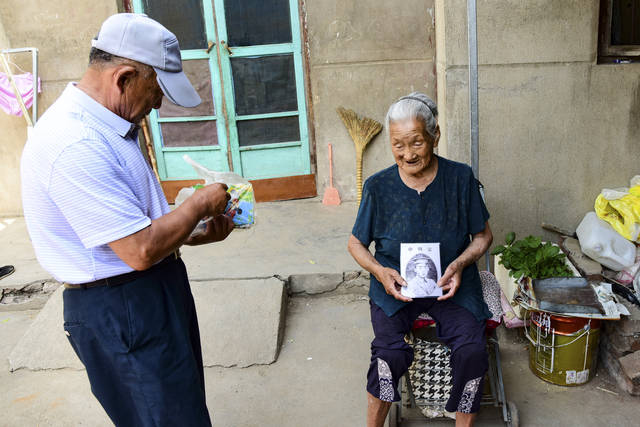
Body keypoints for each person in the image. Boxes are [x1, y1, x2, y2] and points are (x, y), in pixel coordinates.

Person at [20, 14, 233, 426]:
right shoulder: (74, 143)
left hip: (149, 291)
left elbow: (134, 227)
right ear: (124, 77)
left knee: (183, 407)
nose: (158, 105)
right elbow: (138, 249)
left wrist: (190, 232)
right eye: (157, 91)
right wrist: (198, 206)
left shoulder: (112, 125)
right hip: (121, 307)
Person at [347, 92, 493, 427]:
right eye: (398, 144)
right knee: (388, 355)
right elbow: (356, 244)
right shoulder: (378, 186)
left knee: (472, 352)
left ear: (435, 137)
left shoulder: (460, 178)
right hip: (395, 287)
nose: (408, 154)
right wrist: (381, 272)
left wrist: (459, 264)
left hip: (451, 285)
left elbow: (483, 236)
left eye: (416, 143)